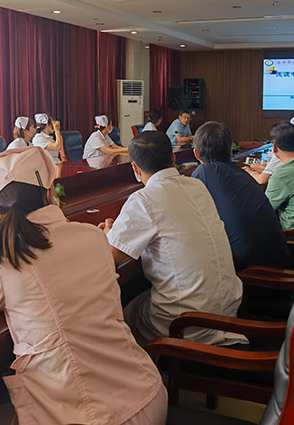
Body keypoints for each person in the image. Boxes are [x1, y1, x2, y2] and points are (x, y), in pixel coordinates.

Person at [0, 147, 166, 425]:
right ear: (51, 191)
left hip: (95, 418)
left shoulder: (4, 258)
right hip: (148, 393)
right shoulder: (93, 237)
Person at [101, 130, 244, 346]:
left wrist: (107, 236)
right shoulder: (197, 185)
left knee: (122, 314)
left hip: (186, 324)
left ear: (135, 168)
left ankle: (154, 364)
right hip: (228, 310)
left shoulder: (144, 199)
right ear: (173, 158)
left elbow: (110, 259)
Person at [191, 121, 290, 271]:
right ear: (231, 151)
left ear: (196, 154)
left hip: (252, 273)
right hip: (280, 262)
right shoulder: (242, 174)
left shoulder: (204, 171)